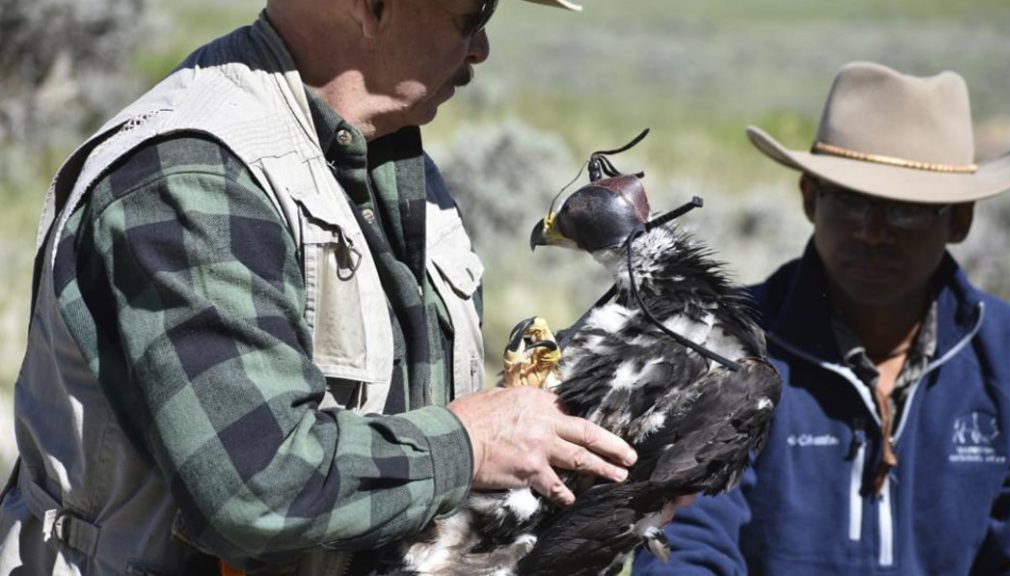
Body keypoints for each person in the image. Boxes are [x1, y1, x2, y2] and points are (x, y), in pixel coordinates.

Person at [0, 0, 640, 574]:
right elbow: (259, 485)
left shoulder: (391, 156)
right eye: (470, 15)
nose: (481, 49)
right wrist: (471, 444)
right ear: (370, 6)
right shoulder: (189, 176)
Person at [634, 61, 1010, 575]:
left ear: (959, 220)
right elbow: (685, 543)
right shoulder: (726, 348)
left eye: (905, 208)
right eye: (850, 200)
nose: (874, 231)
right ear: (810, 198)